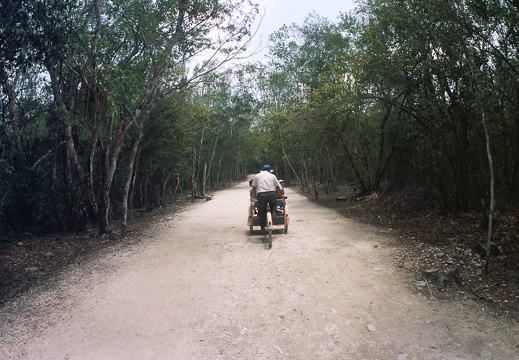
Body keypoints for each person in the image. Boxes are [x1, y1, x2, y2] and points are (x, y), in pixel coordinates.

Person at [251, 164, 282, 231]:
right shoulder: (272, 176)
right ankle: (273, 211)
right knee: (273, 203)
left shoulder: (257, 176)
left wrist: (254, 195)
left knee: (262, 211)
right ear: (269, 170)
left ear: (263, 170)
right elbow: (277, 186)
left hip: (261, 195)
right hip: (272, 194)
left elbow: (254, 187)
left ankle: (262, 227)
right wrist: (279, 194)